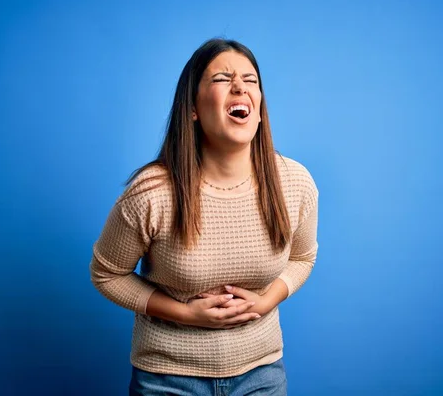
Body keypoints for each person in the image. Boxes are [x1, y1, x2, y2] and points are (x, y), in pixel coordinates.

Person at [90, 38, 319, 396]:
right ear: (193, 108)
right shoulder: (152, 192)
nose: (240, 86)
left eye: (250, 80)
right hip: (168, 380)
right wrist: (185, 314)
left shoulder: (295, 183)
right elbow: (107, 274)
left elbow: (303, 258)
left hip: (262, 376)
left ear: (258, 108)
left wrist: (267, 300)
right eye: (222, 79)